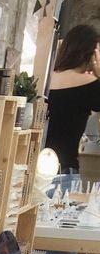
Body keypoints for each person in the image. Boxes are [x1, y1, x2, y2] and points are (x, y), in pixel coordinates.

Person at [46, 24, 100, 174]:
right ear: (91, 54)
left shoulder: (45, 79)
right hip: (65, 167)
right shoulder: (89, 83)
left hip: (37, 166)